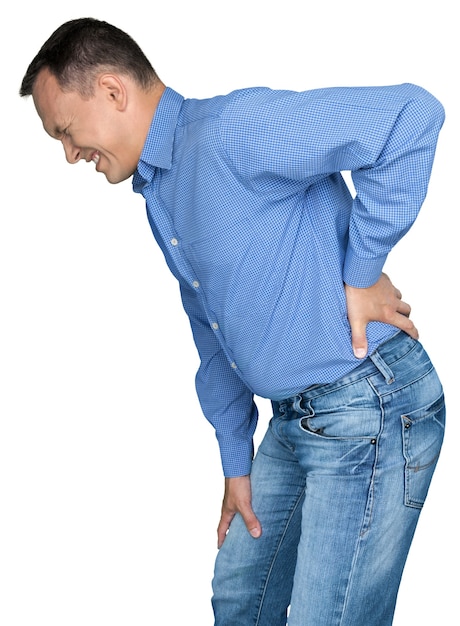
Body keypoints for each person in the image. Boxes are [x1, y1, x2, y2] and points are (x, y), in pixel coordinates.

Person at [20, 17, 446, 626]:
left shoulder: (228, 132)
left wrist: (363, 268)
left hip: (367, 403)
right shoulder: (162, 193)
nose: (69, 155)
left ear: (112, 91)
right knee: (241, 600)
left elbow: (410, 117)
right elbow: (213, 335)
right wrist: (236, 461)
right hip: (294, 421)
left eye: (65, 131)